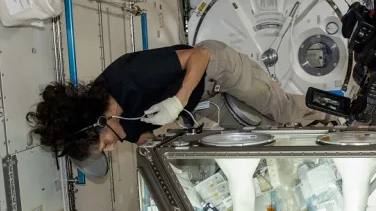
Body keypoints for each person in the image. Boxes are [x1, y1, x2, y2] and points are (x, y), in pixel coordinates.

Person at [26, 40, 322, 162]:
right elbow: (141, 135)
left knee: (281, 111)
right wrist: (153, 152)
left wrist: (178, 102)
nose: (112, 148)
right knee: (258, 131)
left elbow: (199, 56)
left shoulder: (129, 76)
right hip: (201, 96)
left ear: (100, 121)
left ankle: (341, 117)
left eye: (105, 144)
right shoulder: (118, 121)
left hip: (215, 67)